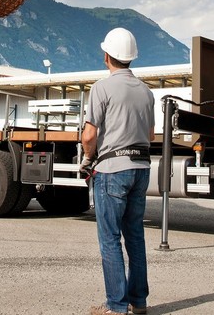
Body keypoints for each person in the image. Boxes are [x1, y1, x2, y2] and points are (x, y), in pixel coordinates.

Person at [81, 27, 156, 315]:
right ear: (132, 58)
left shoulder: (102, 87)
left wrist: (88, 159)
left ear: (106, 56)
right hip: (141, 168)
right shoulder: (146, 92)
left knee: (110, 239)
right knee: (134, 236)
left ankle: (116, 306)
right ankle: (139, 302)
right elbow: (149, 135)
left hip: (112, 170)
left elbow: (89, 136)